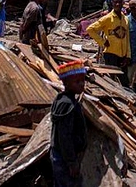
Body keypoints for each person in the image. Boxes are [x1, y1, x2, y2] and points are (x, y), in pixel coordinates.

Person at [51, 59, 88, 187]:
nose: (82, 84)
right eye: (77, 82)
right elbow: (64, 136)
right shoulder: (68, 105)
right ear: (66, 83)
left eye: (83, 80)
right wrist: (72, 162)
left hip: (63, 157)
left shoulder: (65, 101)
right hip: (65, 159)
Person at [87, 0, 130, 84]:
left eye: (119, 2)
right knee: (111, 80)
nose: (117, 4)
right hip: (111, 54)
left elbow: (127, 38)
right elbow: (90, 29)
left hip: (123, 56)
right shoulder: (107, 18)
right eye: (115, 2)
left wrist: (128, 55)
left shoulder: (125, 19)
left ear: (123, 3)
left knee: (124, 82)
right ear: (112, 4)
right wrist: (102, 42)